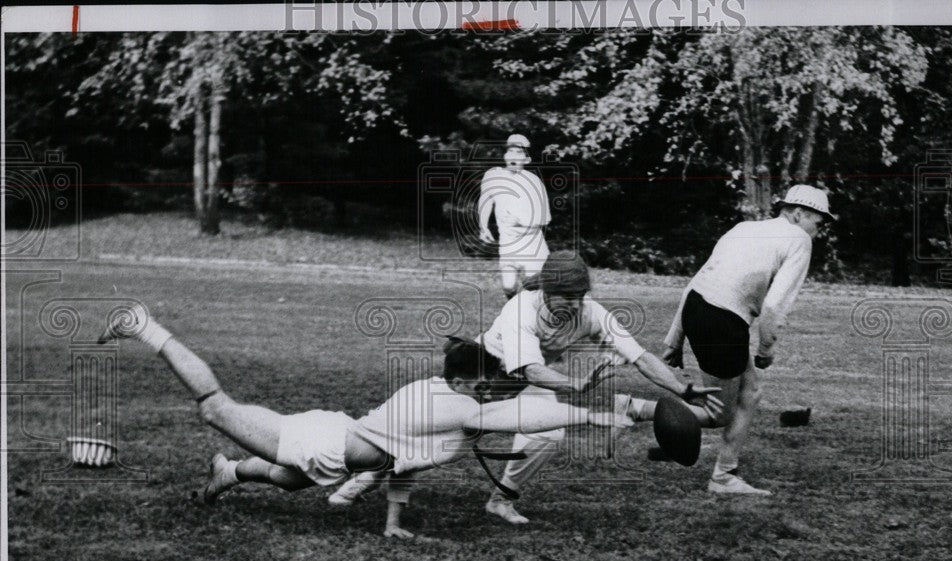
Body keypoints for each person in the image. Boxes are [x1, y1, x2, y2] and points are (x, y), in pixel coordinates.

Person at [97, 307, 634, 538]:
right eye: (488, 382)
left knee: (286, 481)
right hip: (321, 438)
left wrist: (393, 523)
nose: (495, 389)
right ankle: (146, 326)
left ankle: (227, 473)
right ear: (471, 383)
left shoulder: (445, 403)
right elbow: (534, 412)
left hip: (333, 442)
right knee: (215, 405)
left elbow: (403, 465)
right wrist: (601, 413)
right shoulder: (460, 408)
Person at [333, 252, 724, 523]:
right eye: (564, 297)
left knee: (549, 435)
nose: (572, 305)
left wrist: (681, 389)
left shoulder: (591, 313)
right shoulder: (523, 307)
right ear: (545, 290)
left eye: (579, 297)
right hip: (481, 379)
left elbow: (639, 356)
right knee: (430, 431)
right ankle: (367, 475)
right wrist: (575, 383)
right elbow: (532, 369)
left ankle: (501, 500)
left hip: (522, 384)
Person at [661, 184, 835, 496]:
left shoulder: (744, 228)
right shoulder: (799, 240)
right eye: (818, 223)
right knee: (720, 414)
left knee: (751, 391)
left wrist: (675, 338)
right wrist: (766, 349)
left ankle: (725, 474)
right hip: (723, 321)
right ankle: (636, 411)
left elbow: (696, 282)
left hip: (698, 308)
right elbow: (772, 305)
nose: (817, 232)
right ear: (799, 214)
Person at [478, 133, 552, 299]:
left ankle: (531, 315)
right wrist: (483, 227)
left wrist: (521, 222)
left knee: (532, 285)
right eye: (510, 151)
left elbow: (544, 219)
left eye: (519, 153)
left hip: (531, 243)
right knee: (509, 287)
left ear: (527, 160)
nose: (513, 156)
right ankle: (515, 308)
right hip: (508, 243)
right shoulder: (493, 176)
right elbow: (486, 200)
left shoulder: (534, 182)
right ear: (505, 156)